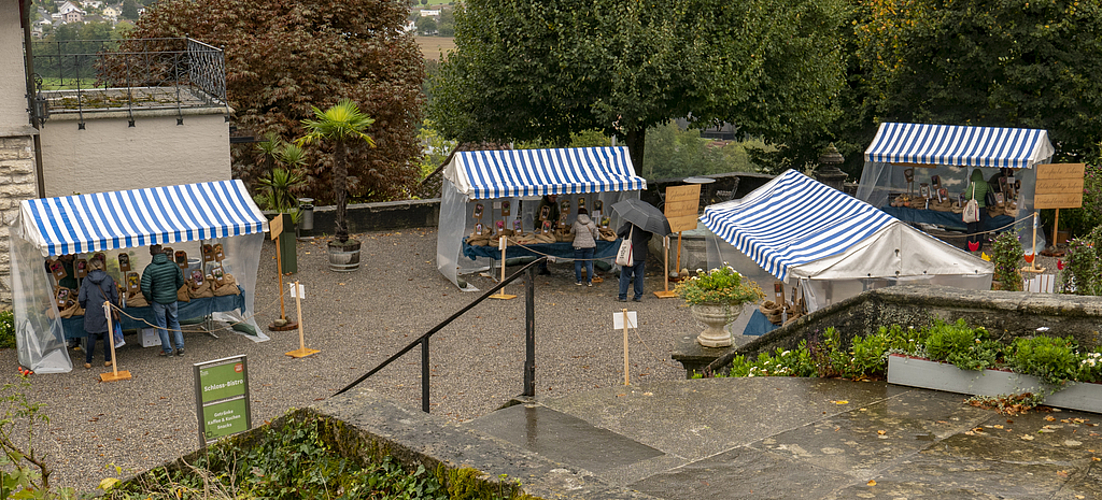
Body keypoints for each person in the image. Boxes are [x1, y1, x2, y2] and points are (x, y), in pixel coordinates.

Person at [141, 244, 185, 357]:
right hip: (172, 299)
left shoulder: (149, 269)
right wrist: (174, 290)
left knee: (162, 325)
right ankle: (180, 347)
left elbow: (144, 287)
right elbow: (181, 280)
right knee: (175, 322)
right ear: (161, 250)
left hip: (158, 301)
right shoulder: (173, 265)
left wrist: (150, 298)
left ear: (151, 253)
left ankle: (168, 350)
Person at [77, 258, 118, 369]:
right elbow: (115, 296)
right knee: (107, 335)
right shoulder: (108, 279)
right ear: (101, 265)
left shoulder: (86, 280)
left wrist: (85, 306)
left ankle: (88, 361)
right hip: (106, 309)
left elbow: (81, 297)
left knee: (92, 336)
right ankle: (107, 360)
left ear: (89, 267)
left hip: (92, 310)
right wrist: (115, 306)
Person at [617, 221, 652, 302]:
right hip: (641, 255)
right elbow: (649, 237)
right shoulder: (647, 228)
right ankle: (638, 296)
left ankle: (622, 296)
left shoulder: (630, 225)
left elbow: (619, 233)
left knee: (625, 275)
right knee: (639, 276)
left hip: (630, 254)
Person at [571, 208, 599, 286]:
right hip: (590, 245)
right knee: (589, 263)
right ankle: (589, 281)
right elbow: (595, 235)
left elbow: (571, 231)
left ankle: (579, 281)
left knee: (578, 263)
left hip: (578, 245)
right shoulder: (592, 223)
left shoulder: (576, 223)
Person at [535, 194, 560, 275]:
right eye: (553, 197)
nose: (554, 199)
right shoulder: (543, 204)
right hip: (540, 227)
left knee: (545, 248)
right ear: (548, 196)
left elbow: (557, 214)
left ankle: (544, 266)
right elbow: (542, 217)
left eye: (555, 197)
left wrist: (557, 220)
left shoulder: (555, 204)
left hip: (548, 227)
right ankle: (540, 266)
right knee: (541, 247)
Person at [965, 169, 989, 251]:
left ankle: (969, 246)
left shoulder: (973, 184)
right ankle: (979, 246)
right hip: (982, 208)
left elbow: (967, 196)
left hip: (974, 208)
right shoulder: (985, 184)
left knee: (971, 228)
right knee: (980, 228)